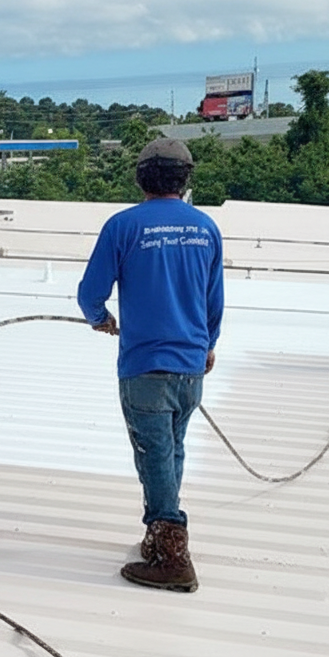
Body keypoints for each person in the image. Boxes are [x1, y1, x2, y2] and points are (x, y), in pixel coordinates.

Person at [77, 138, 224, 593]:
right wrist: (208, 346)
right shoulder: (205, 227)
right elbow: (213, 301)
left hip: (145, 366)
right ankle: (158, 538)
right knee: (172, 450)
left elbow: (89, 294)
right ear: (186, 178)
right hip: (191, 365)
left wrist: (102, 321)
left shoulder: (123, 226)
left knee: (156, 455)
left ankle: (172, 553)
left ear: (141, 177)